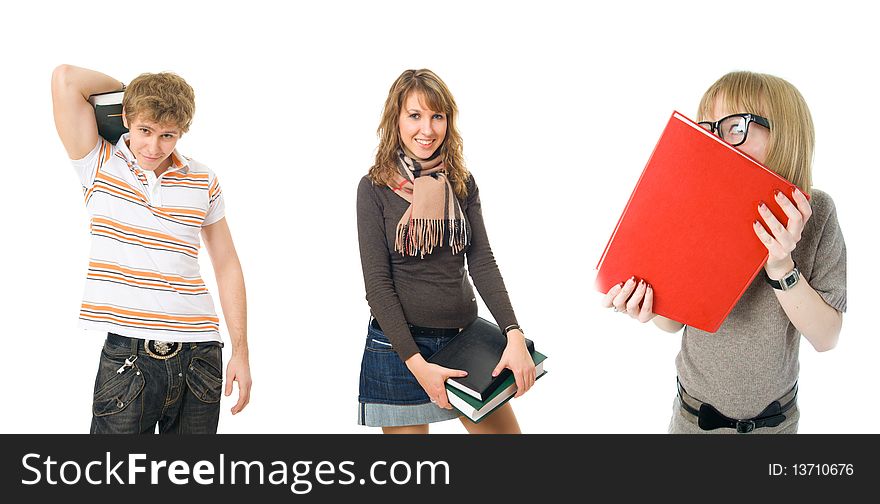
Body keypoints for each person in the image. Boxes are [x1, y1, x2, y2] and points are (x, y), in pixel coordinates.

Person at [601, 71, 846, 434]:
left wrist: (781, 266)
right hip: (692, 421)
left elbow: (826, 338)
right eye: (711, 129)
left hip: (775, 426)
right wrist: (648, 305)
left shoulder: (819, 212)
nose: (718, 141)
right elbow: (673, 324)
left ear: (785, 135)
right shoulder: (697, 206)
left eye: (735, 127)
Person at [51, 65, 252, 433]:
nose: (153, 147)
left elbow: (226, 263)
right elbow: (66, 79)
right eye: (144, 130)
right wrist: (134, 91)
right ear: (126, 118)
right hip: (130, 356)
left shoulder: (202, 178)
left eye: (167, 135)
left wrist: (241, 350)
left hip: (201, 354)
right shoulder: (99, 163)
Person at [356, 69, 536, 434]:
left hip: (464, 342)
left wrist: (514, 334)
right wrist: (417, 363)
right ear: (396, 120)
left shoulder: (462, 183)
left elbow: (482, 262)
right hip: (401, 352)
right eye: (415, 115)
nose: (427, 129)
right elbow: (377, 285)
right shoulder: (373, 188)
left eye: (437, 116)